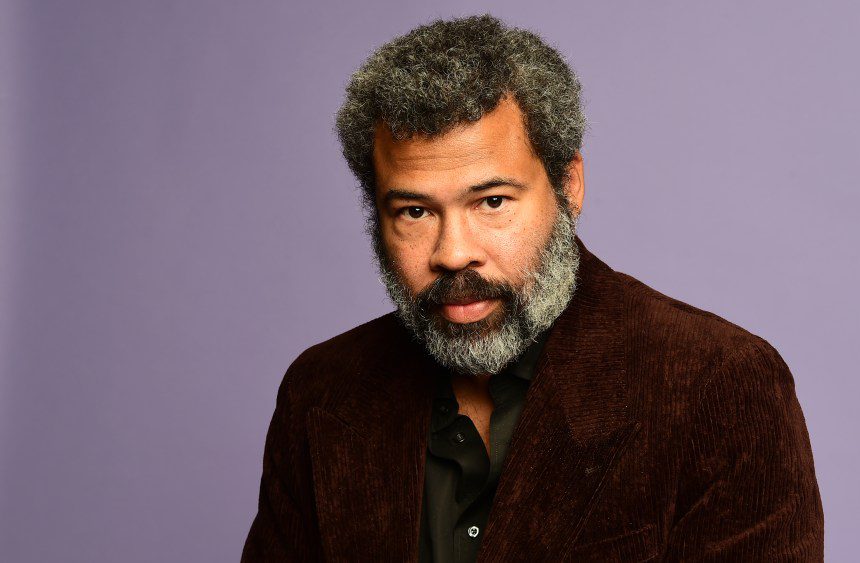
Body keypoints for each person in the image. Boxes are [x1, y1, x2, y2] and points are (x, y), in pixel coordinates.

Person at [242, 14, 823, 563]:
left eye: (492, 202)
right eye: (415, 212)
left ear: (569, 186)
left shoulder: (719, 386)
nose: (453, 253)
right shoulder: (321, 393)